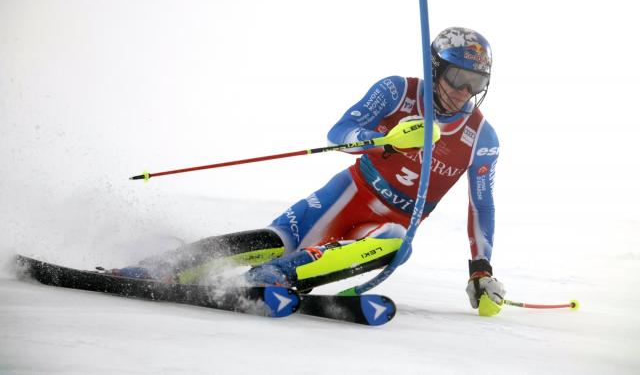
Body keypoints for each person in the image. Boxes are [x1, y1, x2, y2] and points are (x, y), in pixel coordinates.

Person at [113, 27, 506, 310]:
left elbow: (481, 207)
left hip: (389, 224)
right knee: (274, 240)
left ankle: (277, 277)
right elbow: (339, 133)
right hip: (348, 195)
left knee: (397, 242)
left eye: (475, 83)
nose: (462, 92)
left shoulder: (481, 137)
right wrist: (385, 140)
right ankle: (157, 267)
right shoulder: (397, 91)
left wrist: (480, 271)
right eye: (457, 77)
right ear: (435, 67)